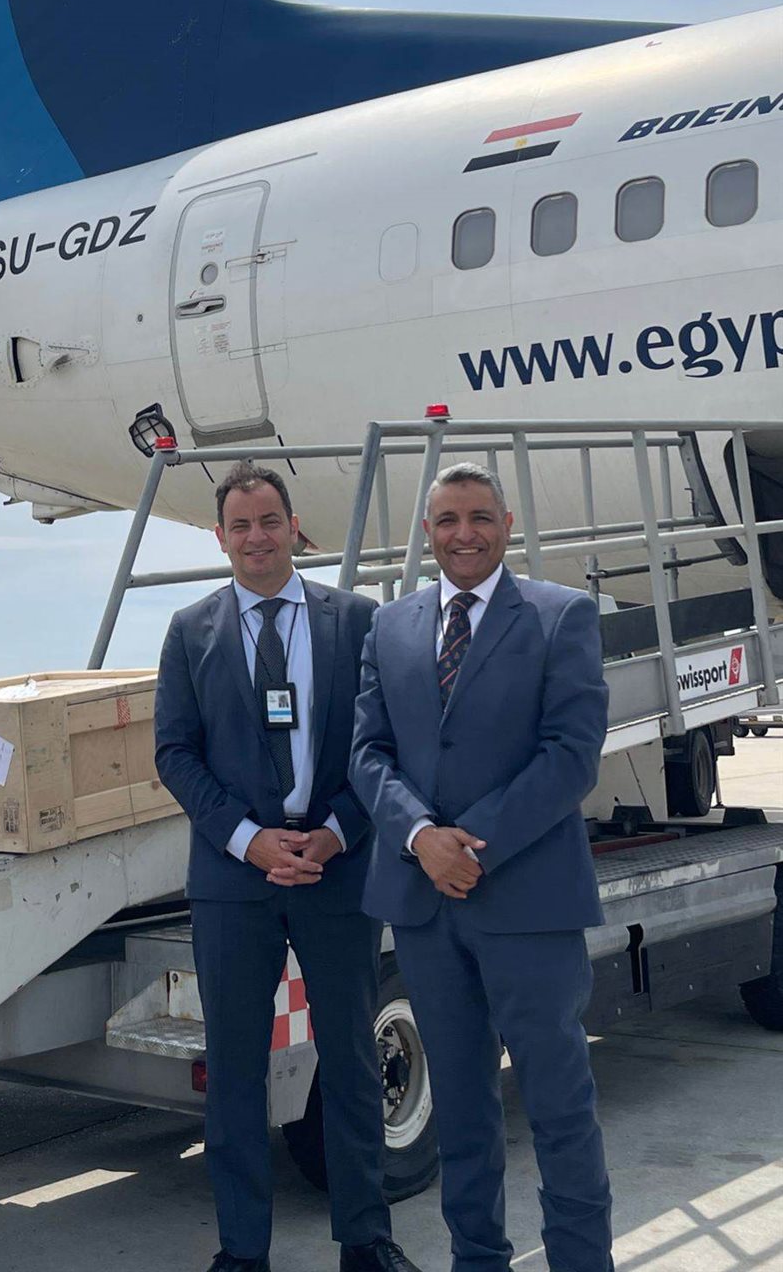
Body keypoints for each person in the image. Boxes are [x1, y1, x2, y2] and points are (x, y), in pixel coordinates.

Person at [155, 461, 420, 1272]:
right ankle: (243, 1251)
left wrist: (337, 832)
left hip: (336, 871)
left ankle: (366, 1242)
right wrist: (248, 840)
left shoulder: (357, 622)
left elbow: (382, 744)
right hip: (235, 883)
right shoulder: (190, 631)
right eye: (240, 525)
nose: (257, 538)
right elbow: (175, 752)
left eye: (270, 521)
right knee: (236, 1072)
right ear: (220, 537)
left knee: (351, 1061)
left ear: (294, 527)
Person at [350, 463, 613, 1272]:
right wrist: (419, 836)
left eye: (479, 517)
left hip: (528, 901)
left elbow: (571, 755)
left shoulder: (560, 616)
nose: (464, 534)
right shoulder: (389, 627)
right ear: (428, 533)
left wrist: (472, 843)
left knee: (558, 1104)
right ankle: (477, 1259)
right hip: (426, 906)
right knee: (462, 1111)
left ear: (507, 524)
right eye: (447, 520)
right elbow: (368, 752)